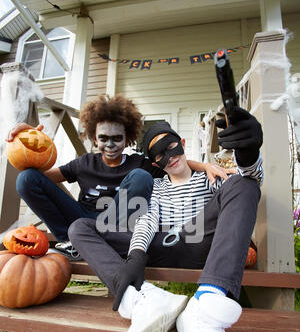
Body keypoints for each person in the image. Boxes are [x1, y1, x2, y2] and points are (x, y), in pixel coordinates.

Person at [68, 106, 263, 332]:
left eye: (171, 146)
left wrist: (250, 154)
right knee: (81, 227)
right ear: (153, 161)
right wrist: (136, 256)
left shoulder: (206, 177)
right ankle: (140, 299)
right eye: (158, 154)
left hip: (197, 241)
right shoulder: (156, 187)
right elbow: (146, 220)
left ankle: (208, 303)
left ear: (181, 142)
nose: (169, 157)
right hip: (159, 244)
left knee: (243, 184)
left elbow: (248, 178)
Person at [6, 94, 231, 260]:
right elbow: (40, 179)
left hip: (116, 226)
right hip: (81, 220)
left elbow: (173, 164)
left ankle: (94, 241)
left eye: (117, 138)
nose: (110, 145)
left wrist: (205, 166)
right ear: (94, 139)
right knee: (25, 179)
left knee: (141, 176)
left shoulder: (138, 163)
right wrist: (28, 142)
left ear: (127, 139)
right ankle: (70, 241)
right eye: (104, 138)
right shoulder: (84, 163)